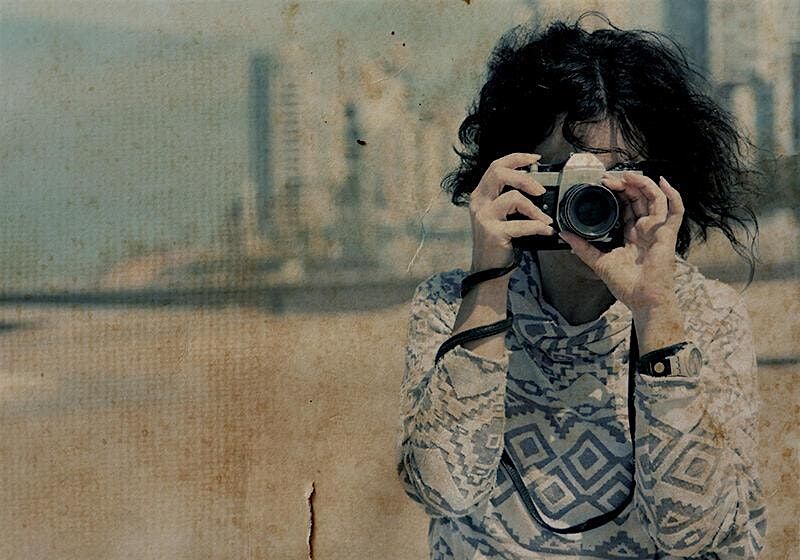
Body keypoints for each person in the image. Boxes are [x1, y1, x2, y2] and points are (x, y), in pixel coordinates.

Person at [397, 16, 767, 559]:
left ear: (664, 184)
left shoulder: (708, 315)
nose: (588, 201)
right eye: (565, 177)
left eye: (616, 179)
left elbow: (693, 532)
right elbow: (443, 492)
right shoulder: (451, 304)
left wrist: (656, 313)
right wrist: (489, 280)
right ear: (514, 175)